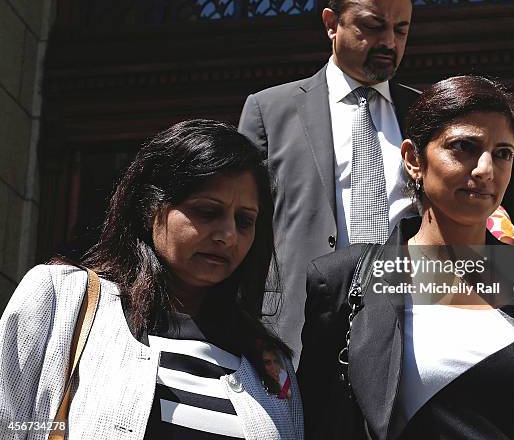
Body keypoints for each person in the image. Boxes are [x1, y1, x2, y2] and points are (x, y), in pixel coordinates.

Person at [238, 0, 514, 359]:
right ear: (331, 23)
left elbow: (467, 195)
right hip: (296, 327)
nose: (389, 41)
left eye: (401, 30)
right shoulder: (270, 111)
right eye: (373, 26)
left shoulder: (428, 114)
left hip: (411, 321)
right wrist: (247, 326)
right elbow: (244, 225)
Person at [298, 76, 514, 440]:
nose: (485, 170)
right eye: (464, 147)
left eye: (503, 153)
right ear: (413, 159)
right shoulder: (343, 281)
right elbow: (318, 419)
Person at [0, 120, 303, 440]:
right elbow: (9, 425)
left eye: (244, 221)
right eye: (206, 212)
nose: (228, 235)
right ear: (150, 209)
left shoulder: (268, 361)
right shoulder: (63, 298)